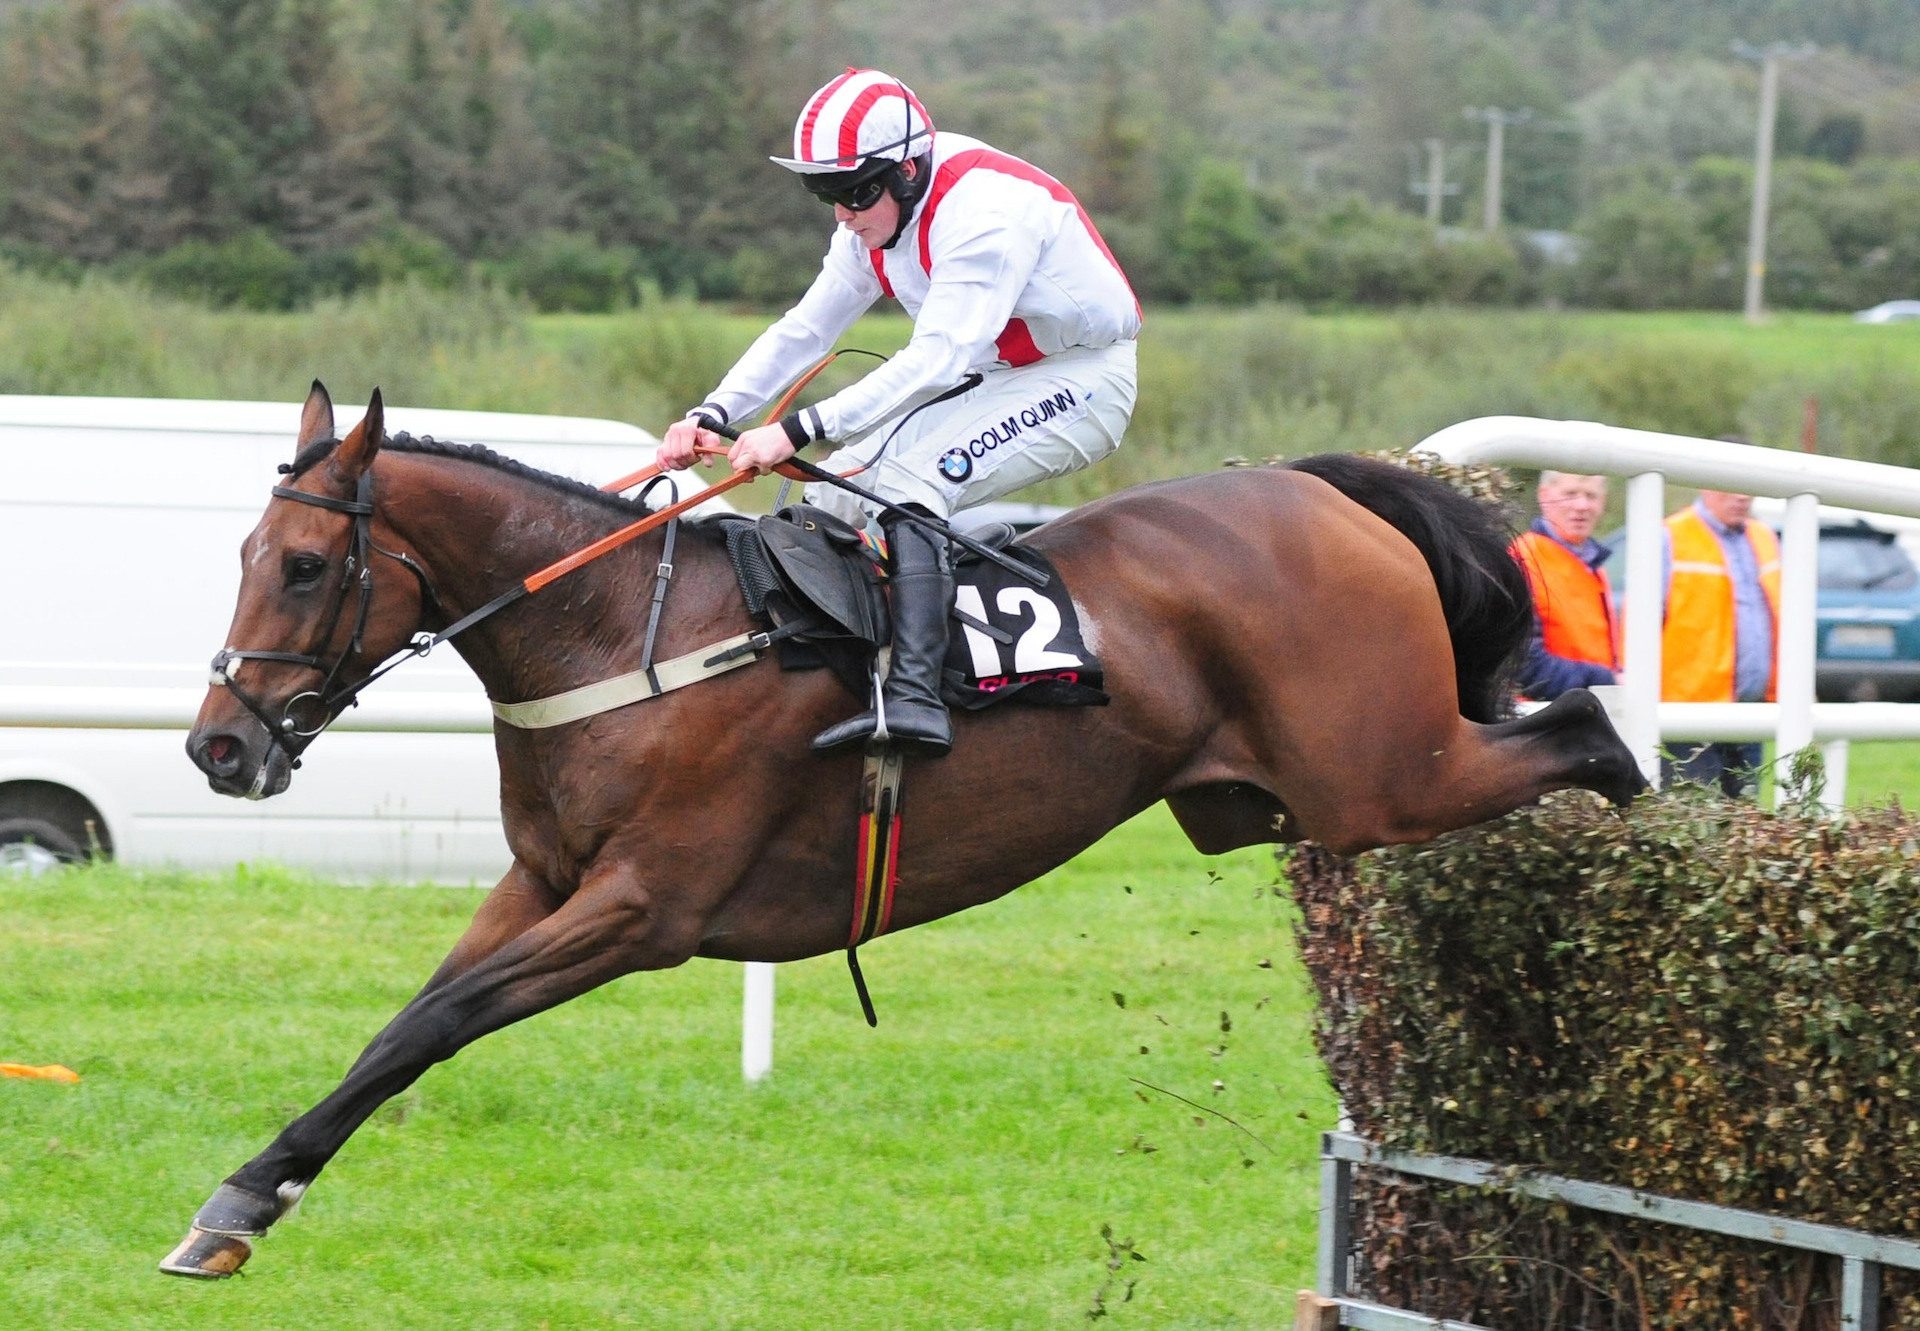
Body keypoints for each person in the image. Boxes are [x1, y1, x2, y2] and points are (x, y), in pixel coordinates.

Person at [658, 68, 1141, 757]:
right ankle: (831, 679)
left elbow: (936, 359)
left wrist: (794, 428)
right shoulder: (869, 223)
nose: (842, 215)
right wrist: (712, 410)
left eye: (853, 193)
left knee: (914, 481)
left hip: (1083, 376)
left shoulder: (982, 216)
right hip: (994, 372)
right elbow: (805, 330)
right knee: (832, 490)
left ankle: (917, 698)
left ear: (908, 171)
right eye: (822, 193)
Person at [1660, 486, 1781, 797]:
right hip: (1689, 717)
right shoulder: (1671, 535)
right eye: (1732, 487)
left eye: (1748, 487)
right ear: (1706, 486)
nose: (1743, 496)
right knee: (1692, 824)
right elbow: (1641, 624)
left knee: (1744, 825)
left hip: (1751, 712)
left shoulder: (1764, 537)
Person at [1510, 471, 1619, 700]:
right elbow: (1523, 667)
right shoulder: (1523, 558)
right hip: (1543, 721)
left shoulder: (1593, 565)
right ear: (1544, 495)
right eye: (1570, 494)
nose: (1581, 505)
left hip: (1586, 714)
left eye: (1591, 496)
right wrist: (1606, 682)